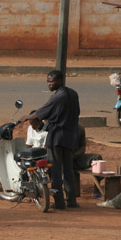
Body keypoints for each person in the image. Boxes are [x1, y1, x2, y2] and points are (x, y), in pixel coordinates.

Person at [20, 70, 80, 209]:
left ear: (60, 81)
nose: (49, 84)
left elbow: (41, 112)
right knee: (68, 169)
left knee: (55, 170)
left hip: (57, 136)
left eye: (51, 81)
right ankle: (71, 201)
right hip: (70, 136)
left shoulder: (57, 97)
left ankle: (59, 203)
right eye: (48, 81)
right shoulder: (73, 93)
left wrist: (26, 117)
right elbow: (76, 112)